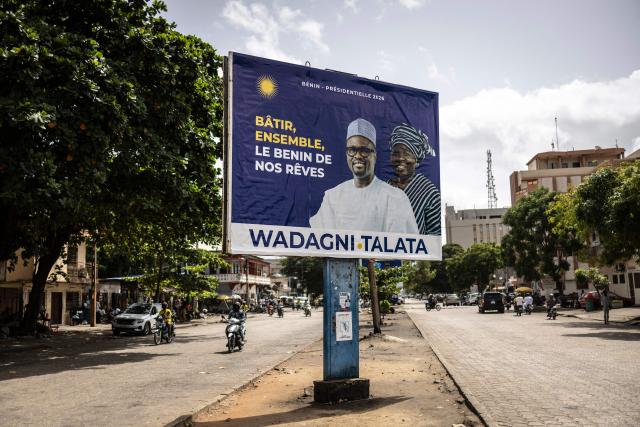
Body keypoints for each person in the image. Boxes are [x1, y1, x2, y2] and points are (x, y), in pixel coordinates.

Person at [309, 118, 419, 234]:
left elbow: (401, 244)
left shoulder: (394, 197)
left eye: (364, 150)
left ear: (375, 155)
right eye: (352, 150)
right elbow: (321, 241)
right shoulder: (332, 196)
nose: (358, 156)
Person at [387, 123, 441, 235]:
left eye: (407, 153)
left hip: (415, 252)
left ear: (417, 160)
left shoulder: (430, 193)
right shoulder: (384, 188)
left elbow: (434, 237)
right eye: (396, 153)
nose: (400, 158)